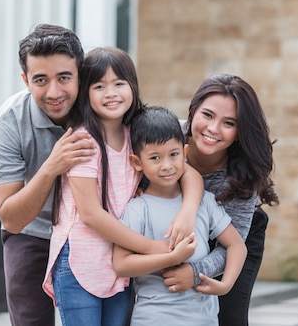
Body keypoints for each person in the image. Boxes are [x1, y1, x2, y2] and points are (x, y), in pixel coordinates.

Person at [43, 47, 204, 326]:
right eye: (99, 86)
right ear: (86, 92)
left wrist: (188, 212)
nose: (111, 93)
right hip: (81, 260)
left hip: (121, 261)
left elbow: (188, 173)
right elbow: (91, 214)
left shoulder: (137, 134)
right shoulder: (84, 141)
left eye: (119, 83)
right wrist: (153, 248)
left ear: (132, 86)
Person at [0, 24, 95, 326]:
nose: (54, 92)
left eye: (64, 77)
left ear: (80, 74)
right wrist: (52, 166)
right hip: (31, 232)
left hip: (93, 229)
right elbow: (11, 218)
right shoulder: (7, 123)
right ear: (25, 80)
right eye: (40, 80)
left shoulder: (102, 105)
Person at [161, 74, 279, 326]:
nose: (213, 129)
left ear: (239, 132)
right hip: (174, 225)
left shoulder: (242, 172)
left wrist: (193, 273)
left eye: (228, 123)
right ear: (193, 111)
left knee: (230, 317)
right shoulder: (166, 139)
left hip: (234, 235)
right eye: (207, 115)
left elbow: (231, 246)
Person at [112, 105, 247, 326]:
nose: (167, 165)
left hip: (205, 319)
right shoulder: (137, 209)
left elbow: (236, 246)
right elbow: (121, 264)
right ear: (137, 162)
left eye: (173, 154)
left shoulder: (204, 202)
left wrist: (226, 285)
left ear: (184, 153)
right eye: (155, 158)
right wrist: (172, 258)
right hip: (154, 319)